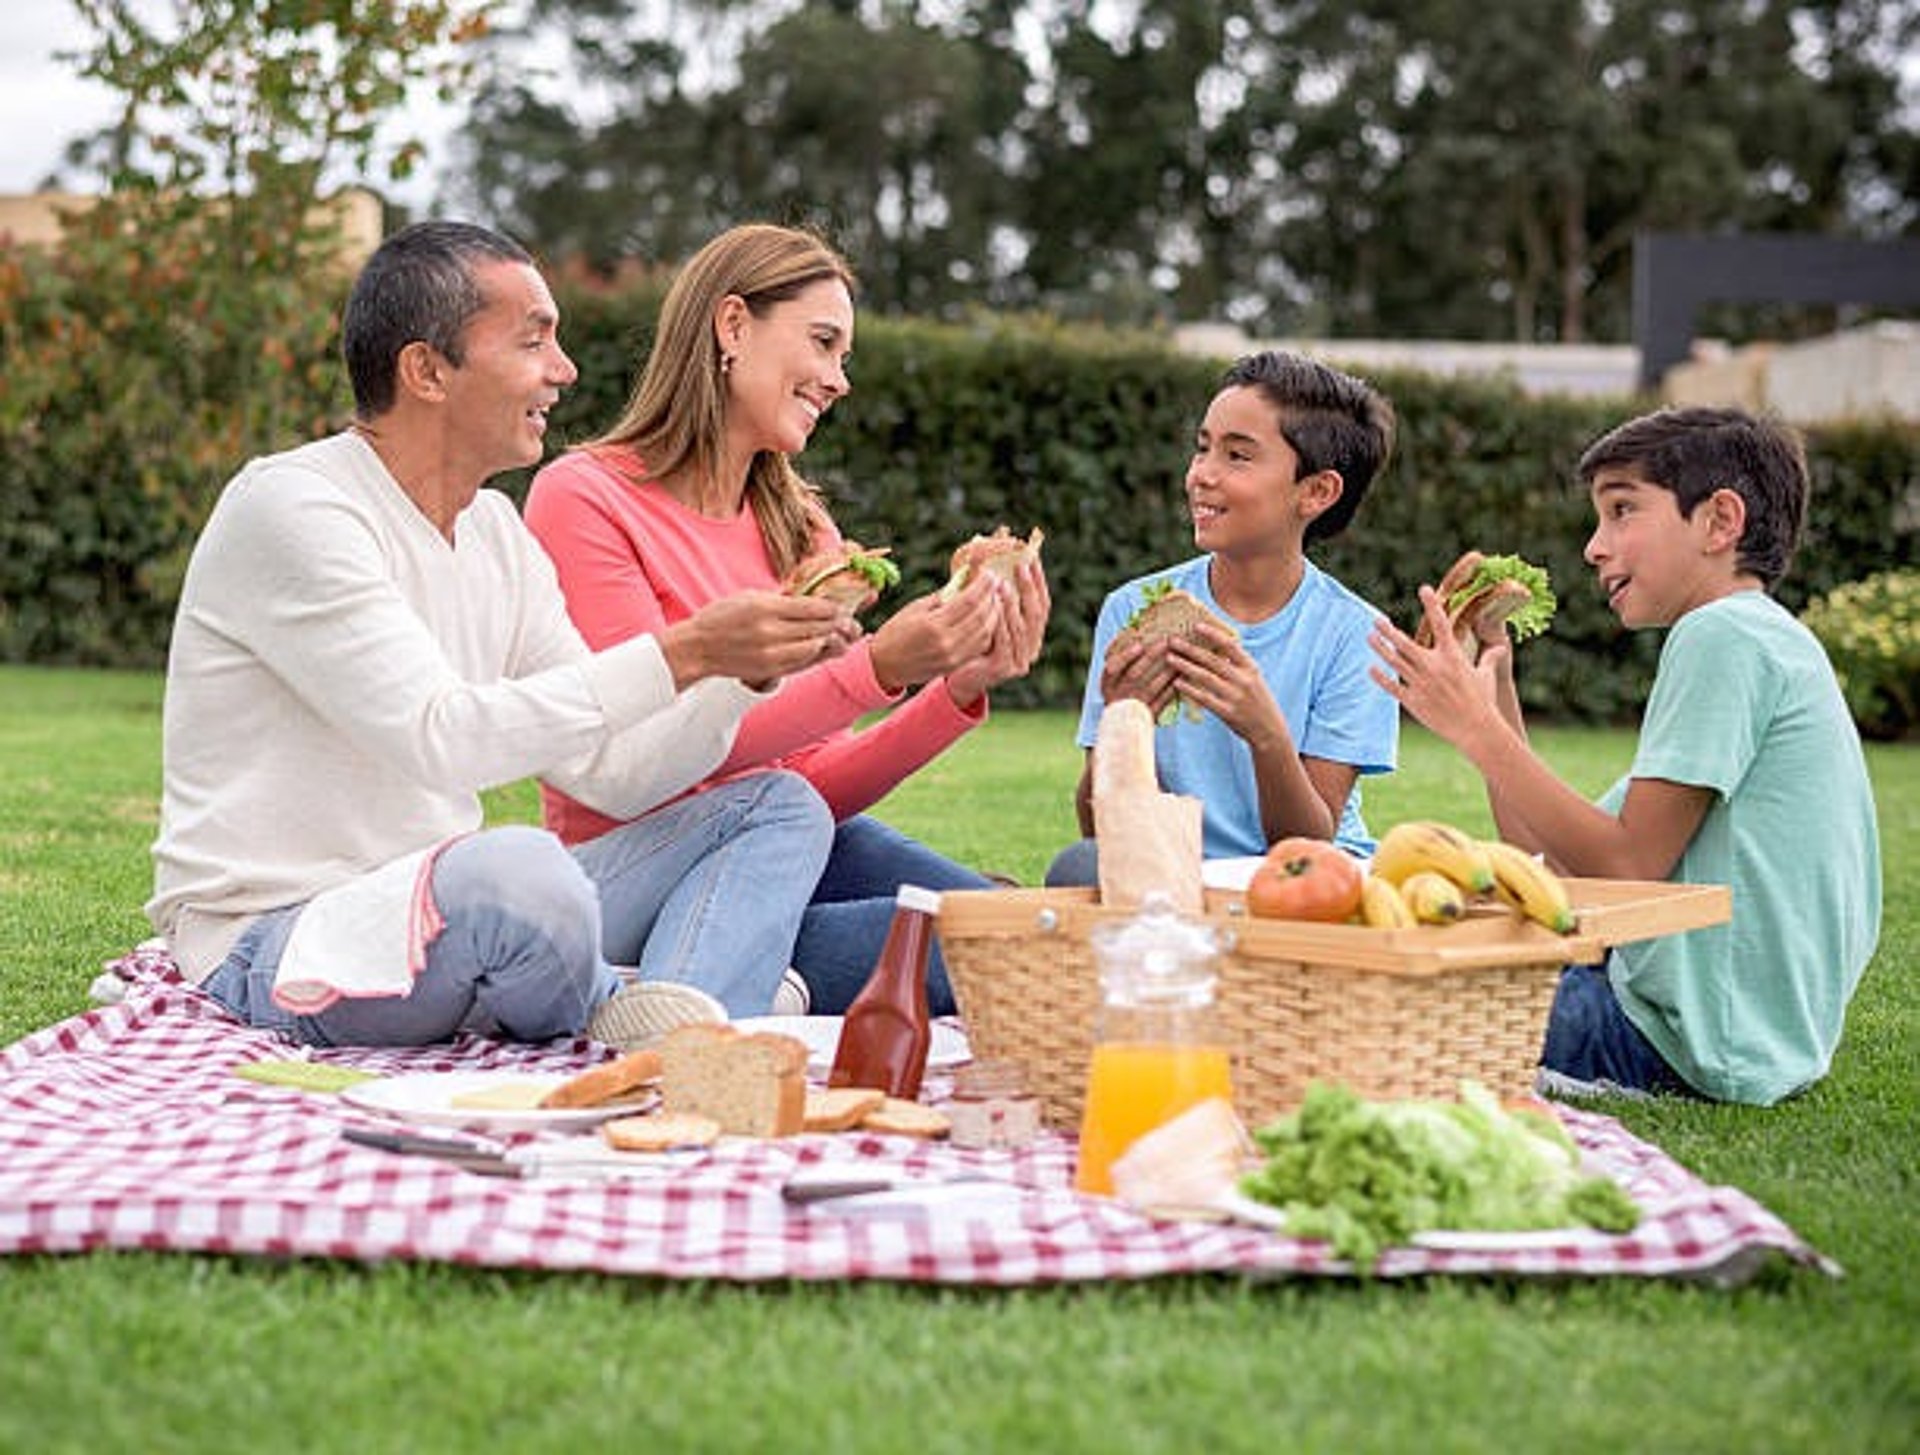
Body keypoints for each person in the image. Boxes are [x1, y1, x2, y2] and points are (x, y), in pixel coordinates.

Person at [147, 220, 863, 1048]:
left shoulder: (493, 530)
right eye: (534, 342)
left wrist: (737, 675)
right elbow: (440, 737)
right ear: (426, 370)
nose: (565, 371)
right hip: (281, 935)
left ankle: (676, 1023)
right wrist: (689, 650)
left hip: (441, 906)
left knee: (778, 805)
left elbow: (612, 774)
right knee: (515, 872)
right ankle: (675, 997)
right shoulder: (293, 509)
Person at [523, 223, 1049, 1016]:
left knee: (1028, 936)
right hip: (626, 863)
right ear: (733, 326)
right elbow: (651, 764)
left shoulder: (803, 531)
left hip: (778, 840)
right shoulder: (586, 497)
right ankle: (706, 995)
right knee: (955, 941)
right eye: (825, 343)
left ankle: (756, 983)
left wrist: (953, 687)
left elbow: (812, 783)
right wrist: (878, 668)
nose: (838, 380)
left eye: (845, 357)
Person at [1369, 407, 1881, 1105]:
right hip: (1714, 1029)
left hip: (1672, 1040)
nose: (1593, 546)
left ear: (1719, 521)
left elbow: (1629, 866)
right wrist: (1498, 687)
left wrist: (1474, 726)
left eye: (1622, 510)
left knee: (1380, 1003)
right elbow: (1555, 870)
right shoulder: (1765, 638)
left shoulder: (1723, 636)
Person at [1045, 350, 1400, 887]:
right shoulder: (1132, 611)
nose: (1201, 476)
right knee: (1075, 868)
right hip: (1177, 870)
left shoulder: (1357, 635)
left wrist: (1266, 736)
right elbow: (1101, 829)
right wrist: (1126, 717)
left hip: (1305, 878)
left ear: (1316, 492)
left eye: (1237, 457)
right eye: (1203, 447)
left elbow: (1306, 846)